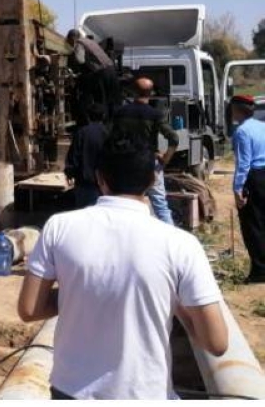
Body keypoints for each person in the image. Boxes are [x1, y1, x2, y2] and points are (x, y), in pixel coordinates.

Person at [19, 135, 228, 399]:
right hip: (144, 393)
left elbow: (29, 309)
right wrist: (175, 303)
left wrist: (82, 290)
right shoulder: (181, 244)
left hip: (69, 391)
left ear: (100, 178)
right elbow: (217, 343)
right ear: (152, 179)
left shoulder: (58, 227)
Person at [111, 77, 178, 225]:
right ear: (151, 92)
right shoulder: (155, 114)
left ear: (133, 91)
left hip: (127, 163)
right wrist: (165, 159)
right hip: (150, 162)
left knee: (127, 205)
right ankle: (171, 235)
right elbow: (174, 138)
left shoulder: (121, 113)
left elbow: (113, 138)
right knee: (160, 206)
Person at [230, 94, 265, 284]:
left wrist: (237, 188)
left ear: (237, 110)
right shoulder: (262, 126)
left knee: (252, 224)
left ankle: (259, 271)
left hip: (254, 178)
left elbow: (244, 162)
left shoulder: (242, 131)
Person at [67, 28, 121, 127]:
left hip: (101, 72)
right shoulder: (91, 42)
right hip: (112, 70)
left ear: (73, 38)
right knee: (112, 100)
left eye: (70, 42)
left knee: (101, 101)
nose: (71, 45)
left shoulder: (79, 43)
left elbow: (80, 60)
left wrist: (77, 72)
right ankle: (113, 125)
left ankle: (101, 127)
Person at [64, 103, 108, 208]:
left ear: (88, 116)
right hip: (103, 185)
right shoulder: (107, 133)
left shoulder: (81, 133)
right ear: (103, 116)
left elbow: (74, 156)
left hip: (83, 183)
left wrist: (69, 173)